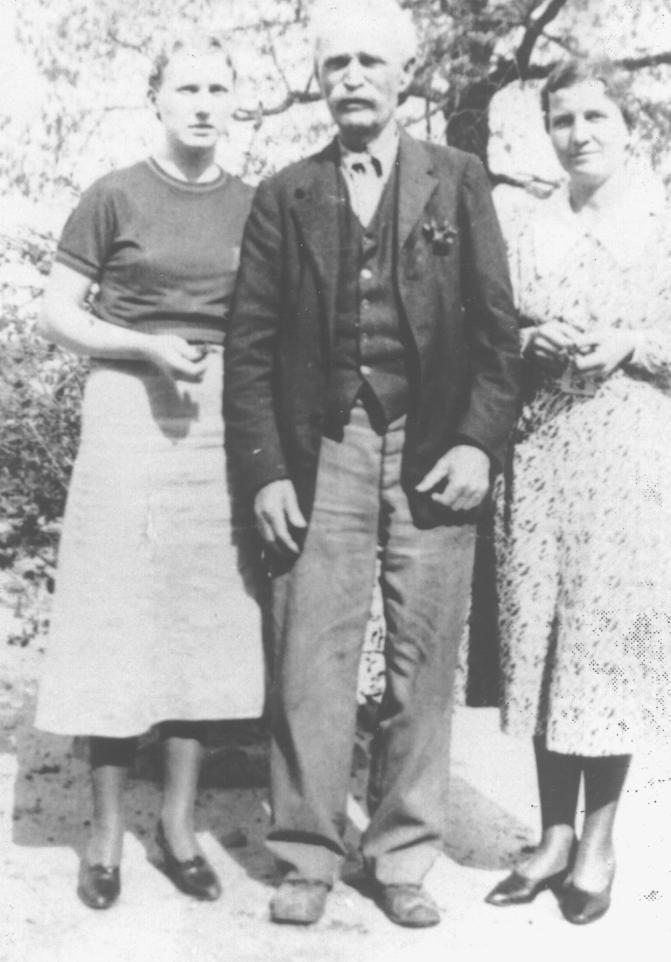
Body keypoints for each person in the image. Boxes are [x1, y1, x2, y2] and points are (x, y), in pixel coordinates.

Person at [225, 0, 520, 928]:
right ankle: (307, 850)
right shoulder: (285, 194)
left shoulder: (457, 177)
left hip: (433, 447)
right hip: (325, 449)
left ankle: (400, 854)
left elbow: (495, 332)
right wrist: (269, 469)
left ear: (404, 76)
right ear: (320, 80)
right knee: (310, 655)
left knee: (422, 661)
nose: (351, 76)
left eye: (369, 62)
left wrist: (478, 442)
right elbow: (250, 347)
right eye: (335, 62)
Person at [35, 33, 265, 910]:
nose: (203, 103)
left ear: (234, 100)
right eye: (186, 88)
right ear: (157, 101)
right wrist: (141, 344)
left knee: (203, 617)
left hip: (217, 421)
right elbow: (58, 311)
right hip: (130, 408)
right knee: (117, 610)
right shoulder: (114, 193)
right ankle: (102, 836)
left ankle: (175, 825)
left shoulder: (256, 203)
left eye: (217, 87)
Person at [486, 59, 671, 925]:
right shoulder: (529, 227)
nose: (580, 133)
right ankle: (549, 834)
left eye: (596, 116)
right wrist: (530, 338)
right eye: (563, 120)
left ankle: (596, 841)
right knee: (542, 642)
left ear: (627, 126)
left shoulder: (661, 219)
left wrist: (630, 344)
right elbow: (492, 328)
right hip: (541, 456)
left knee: (606, 650)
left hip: (632, 462)